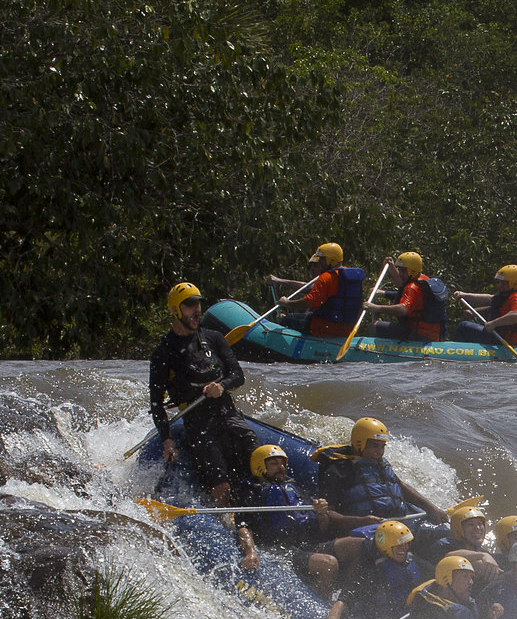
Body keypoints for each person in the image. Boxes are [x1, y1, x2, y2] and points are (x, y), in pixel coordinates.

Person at [150, 282, 256, 505]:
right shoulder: (164, 352)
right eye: (189, 306)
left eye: (198, 304)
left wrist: (222, 386)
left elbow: (238, 375)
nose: (196, 310)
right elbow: (156, 402)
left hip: (228, 413)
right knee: (222, 484)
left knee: (258, 460)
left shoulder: (214, 338)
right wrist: (166, 439)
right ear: (175, 310)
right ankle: (226, 523)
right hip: (199, 424)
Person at [310, 417, 445, 535]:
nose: (379, 452)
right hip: (365, 530)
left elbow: (401, 487)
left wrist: (432, 508)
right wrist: (361, 521)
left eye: (382, 447)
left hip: (398, 525)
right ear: (359, 444)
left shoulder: (382, 465)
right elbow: (328, 514)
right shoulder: (338, 470)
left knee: (442, 535)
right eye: (375, 446)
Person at [234, 444, 339, 592]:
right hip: (280, 549)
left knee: (352, 546)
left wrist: (321, 512)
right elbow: (243, 525)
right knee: (329, 564)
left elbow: (322, 528)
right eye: (274, 463)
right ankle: (323, 606)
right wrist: (250, 551)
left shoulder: (293, 488)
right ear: (260, 465)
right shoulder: (253, 492)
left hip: (306, 544)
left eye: (282, 463)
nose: (281, 467)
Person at [322, 519, 420, 619]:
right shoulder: (371, 574)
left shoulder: (412, 562)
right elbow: (341, 602)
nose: (404, 548)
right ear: (386, 546)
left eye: (406, 544)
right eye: (399, 545)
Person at [267, 242, 364, 338]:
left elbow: (306, 303)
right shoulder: (350, 277)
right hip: (348, 329)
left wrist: (286, 302)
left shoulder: (326, 277)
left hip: (324, 328)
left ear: (331, 260)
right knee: (307, 315)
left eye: (322, 259)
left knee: (289, 319)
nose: (320, 262)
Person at [451, 265, 517, 349]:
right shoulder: (512, 294)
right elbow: (490, 298)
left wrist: (493, 324)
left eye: (504, 283)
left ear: (514, 282)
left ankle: (456, 351)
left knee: (463, 326)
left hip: (505, 341)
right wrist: (464, 295)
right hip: (512, 339)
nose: (499, 285)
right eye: (499, 282)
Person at [362, 251, 448, 341]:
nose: (400, 273)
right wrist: (391, 269)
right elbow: (403, 290)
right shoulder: (423, 280)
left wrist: (375, 307)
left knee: (374, 326)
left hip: (417, 333)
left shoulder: (412, 287)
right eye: (399, 270)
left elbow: (402, 309)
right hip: (434, 334)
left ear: (412, 271)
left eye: (403, 270)